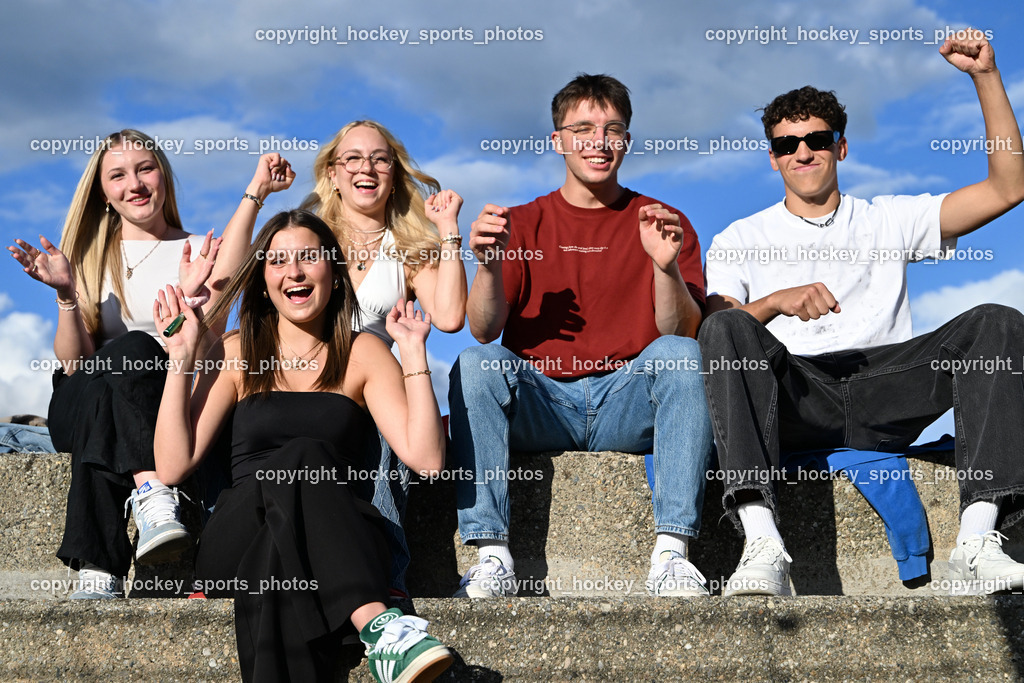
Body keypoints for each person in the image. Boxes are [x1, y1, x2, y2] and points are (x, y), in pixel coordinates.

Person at [700, 31, 1024, 596]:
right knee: (726, 327)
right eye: (787, 144)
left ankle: (976, 542)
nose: (803, 152)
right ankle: (762, 544)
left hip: (887, 386)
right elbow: (716, 328)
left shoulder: (888, 218)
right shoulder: (739, 238)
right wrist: (775, 303)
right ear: (772, 157)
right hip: (797, 394)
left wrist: (986, 77)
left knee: (997, 320)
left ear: (841, 147)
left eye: (817, 139)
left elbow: (1008, 188)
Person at [153, 209, 453, 682]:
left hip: (335, 540)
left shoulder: (364, 352)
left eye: (309, 258)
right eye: (278, 261)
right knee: (304, 455)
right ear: (263, 281)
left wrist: (414, 352)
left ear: (334, 272)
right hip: (239, 532)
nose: (293, 271)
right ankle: (379, 626)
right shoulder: (234, 350)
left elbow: (429, 460)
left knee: (275, 564)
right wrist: (181, 358)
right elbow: (172, 467)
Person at [448, 74, 713, 598]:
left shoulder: (663, 221)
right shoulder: (522, 223)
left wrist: (664, 268)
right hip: (543, 402)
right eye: (584, 129)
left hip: (627, 402)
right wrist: (488, 266)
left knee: (682, 355)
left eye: (613, 129)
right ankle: (492, 557)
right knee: (476, 363)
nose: (599, 141)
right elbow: (483, 329)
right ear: (558, 140)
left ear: (627, 140)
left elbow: (682, 333)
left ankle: (672, 555)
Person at [6, 130, 290, 599]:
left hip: (160, 406)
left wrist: (256, 190)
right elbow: (76, 364)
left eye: (145, 169)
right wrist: (66, 295)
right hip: (78, 401)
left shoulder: (195, 251)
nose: (134, 184)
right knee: (132, 349)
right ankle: (152, 488)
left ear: (164, 177)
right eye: (118, 175)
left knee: (127, 378)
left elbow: (208, 343)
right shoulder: (86, 258)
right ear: (102, 192)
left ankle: (99, 570)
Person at [302, 120, 468, 594]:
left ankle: (384, 578)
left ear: (394, 175)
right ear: (333, 173)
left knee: (386, 417)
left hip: (371, 391)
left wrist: (448, 231)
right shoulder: (308, 238)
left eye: (380, 159)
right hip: (307, 382)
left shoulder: (407, 247)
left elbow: (450, 316)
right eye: (352, 158)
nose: (366, 168)